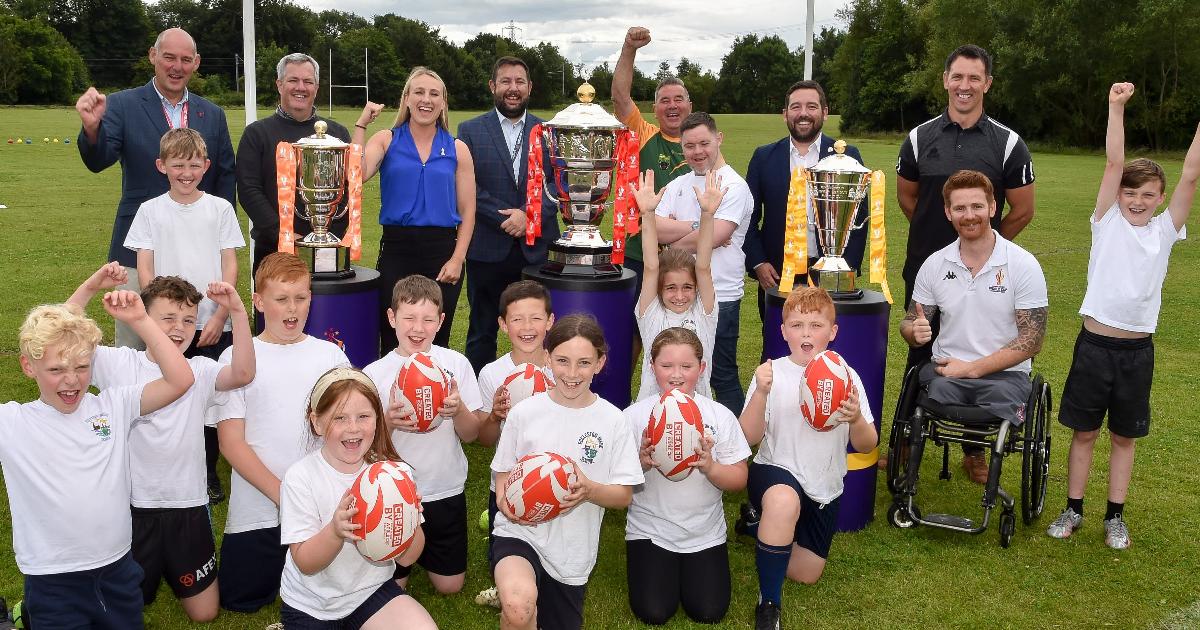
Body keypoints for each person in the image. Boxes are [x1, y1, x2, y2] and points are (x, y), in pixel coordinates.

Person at [1046, 84, 1199, 550]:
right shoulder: (1107, 221)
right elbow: (1114, 162)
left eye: (1147, 194)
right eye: (1130, 192)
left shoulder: (1166, 231)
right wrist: (1115, 106)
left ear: (1160, 198)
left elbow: (1192, 175)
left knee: (1123, 438)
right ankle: (1073, 509)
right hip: (1094, 347)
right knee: (1085, 433)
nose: (1137, 200)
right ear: (1118, 195)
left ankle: (1115, 517)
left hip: (1137, 353)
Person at [68, 266, 254, 622]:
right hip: (132, 507)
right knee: (123, 605)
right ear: (143, 318)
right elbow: (63, 336)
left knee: (205, 614)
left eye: (188, 320)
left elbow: (243, 373)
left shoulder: (200, 369)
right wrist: (91, 286)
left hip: (188, 505)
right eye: (167, 318)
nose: (178, 328)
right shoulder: (119, 363)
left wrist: (237, 311)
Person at [1, 292, 193, 628]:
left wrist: (141, 320)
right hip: (52, 580)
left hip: (117, 570)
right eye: (56, 369)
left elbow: (181, 379)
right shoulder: (12, 422)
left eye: (82, 366)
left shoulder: (113, 405)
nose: (71, 379)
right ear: (28, 366)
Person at [894, 44, 1036, 481]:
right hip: (928, 271)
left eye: (975, 78)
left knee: (979, 348)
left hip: (987, 273)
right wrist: (946, 253)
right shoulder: (919, 138)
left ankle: (975, 449)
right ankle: (906, 442)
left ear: (987, 84)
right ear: (945, 80)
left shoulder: (1008, 143)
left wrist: (982, 249)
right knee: (921, 349)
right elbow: (908, 199)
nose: (965, 85)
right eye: (957, 76)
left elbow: (1023, 209)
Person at [75, 27, 235, 349]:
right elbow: (98, 160)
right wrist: (92, 129)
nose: (177, 67)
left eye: (186, 60)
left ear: (196, 62)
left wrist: (217, 238)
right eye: (169, 58)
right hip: (139, 250)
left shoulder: (212, 114)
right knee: (137, 344)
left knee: (198, 345)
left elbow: (224, 178)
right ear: (153, 56)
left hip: (198, 251)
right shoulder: (122, 105)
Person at [212, 252, 350, 613]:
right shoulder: (237, 358)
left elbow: (348, 431)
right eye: (281, 299)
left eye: (300, 297)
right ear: (259, 302)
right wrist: (284, 495)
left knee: (334, 589)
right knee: (240, 601)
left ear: (311, 299)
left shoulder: (331, 358)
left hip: (320, 509)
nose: (292, 308)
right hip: (258, 508)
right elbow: (230, 442)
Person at [491, 314, 644, 630]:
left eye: (584, 363)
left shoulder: (613, 421)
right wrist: (507, 503)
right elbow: (503, 471)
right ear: (547, 358)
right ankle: (515, 599)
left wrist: (590, 490)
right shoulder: (524, 412)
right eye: (562, 361)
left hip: (572, 551)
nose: (572, 373)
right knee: (519, 608)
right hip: (520, 532)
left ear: (600, 363)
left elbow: (624, 495)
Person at [738, 287, 877, 630]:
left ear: (833, 331)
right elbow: (748, 437)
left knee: (806, 573)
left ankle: (758, 527)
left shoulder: (846, 376)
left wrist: (856, 419)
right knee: (783, 502)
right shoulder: (771, 373)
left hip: (822, 486)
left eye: (816, 325)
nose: (806, 333)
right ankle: (769, 603)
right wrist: (760, 393)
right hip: (776, 470)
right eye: (797, 325)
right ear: (783, 331)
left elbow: (867, 444)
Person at [123, 127, 244, 504]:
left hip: (211, 325)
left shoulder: (220, 209)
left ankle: (207, 471)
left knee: (209, 401)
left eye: (194, 165)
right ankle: (156, 468)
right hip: (168, 329)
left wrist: (219, 315)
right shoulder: (150, 211)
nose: (186, 173)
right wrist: (156, 319)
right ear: (162, 166)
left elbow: (230, 265)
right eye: (178, 165)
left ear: (206, 166)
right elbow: (145, 268)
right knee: (166, 397)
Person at [899, 169, 1047, 476]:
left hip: (1005, 377)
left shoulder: (1023, 264)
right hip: (947, 373)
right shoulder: (934, 264)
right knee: (928, 392)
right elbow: (910, 321)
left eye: (977, 206)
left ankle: (977, 458)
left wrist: (972, 369)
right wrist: (914, 331)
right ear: (948, 212)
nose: (969, 216)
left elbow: (1032, 340)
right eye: (960, 208)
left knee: (997, 399)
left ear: (993, 208)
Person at [278, 368, 437, 628]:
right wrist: (335, 532)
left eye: (363, 416)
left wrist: (409, 523)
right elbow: (305, 563)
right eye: (339, 418)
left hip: (371, 592)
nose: (353, 428)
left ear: (377, 419)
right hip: (312, 606)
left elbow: (407, 558)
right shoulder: (301, 477)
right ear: (317, 422)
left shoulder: (395, 475)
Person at [363, 275, 483, 595]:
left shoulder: (455, 364)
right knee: (392, 587)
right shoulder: (374, 374)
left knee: (450, 586)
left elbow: (471, 434)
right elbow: (366, 448)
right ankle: (401, 554)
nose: (418, 328)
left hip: (445, 488)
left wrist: (458, 410)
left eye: (428, 319)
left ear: (441, 321)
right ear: (392, 318)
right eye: (409, 318)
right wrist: (388, 422)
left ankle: (426, 553)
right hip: (396, 493)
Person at [622, 327, 749, 625]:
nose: (676, 374)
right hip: (650, 530)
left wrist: (710, 467)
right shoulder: (633, 417)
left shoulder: (718, 415)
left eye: (686, 366)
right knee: (653, 612)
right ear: (652, 367)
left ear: (702, 368)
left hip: (704, 532)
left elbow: (740, 478)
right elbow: (616, 485)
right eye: (666, 365)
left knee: (709, 611)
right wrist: (640, 464)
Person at [362, 67, 477, 352]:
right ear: (407, 99)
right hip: (397, 250)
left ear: (443, 103)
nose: (426, 99)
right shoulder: (386, 140)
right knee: (394, 336)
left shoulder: (457, 148)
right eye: (419, 92)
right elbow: (357, 174)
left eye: (434, 94)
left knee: (437, 338)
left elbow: (468, 209)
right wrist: (362, 125)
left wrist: (457, 258)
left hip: (442, 253)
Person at [459, 56, 560, 373]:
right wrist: (508, 217)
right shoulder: (470, 130)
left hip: (539, 249)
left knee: (546, 331)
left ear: (530, 87)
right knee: (481, 332)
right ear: (493, 86)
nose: (512, 88)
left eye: (519, 82)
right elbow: (468, 186)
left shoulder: (549, 131)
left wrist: (529, 216)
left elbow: (560, 183)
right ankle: (480, 396)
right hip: (487, 247)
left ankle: (547, 391)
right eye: (505, 81)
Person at [236, 53, 380, 274]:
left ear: (316, 87)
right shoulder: (256, 134)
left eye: (308, 81)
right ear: (279, 85)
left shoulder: (337, 134)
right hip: (274, 251)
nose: (300, 88)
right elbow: (249, 190)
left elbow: (349, 188)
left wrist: (328, 237)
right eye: (293, 80)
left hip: (328, 249)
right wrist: (284, 234)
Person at [650, 112, 753, 415]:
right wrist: (699, 225)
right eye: (689, 146)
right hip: (679, 296)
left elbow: (716, 237)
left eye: (704, 143)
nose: (697, 152)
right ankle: (679, 429)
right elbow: (654, 228)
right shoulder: (678, 183)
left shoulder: (734, 186)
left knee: (720, 373)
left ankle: (734, 438)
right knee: (678, 372)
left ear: (719, 139)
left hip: (721, 295)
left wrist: (674, 238)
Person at [744, 80, 869, 323]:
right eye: (796, 107)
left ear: (825, 112)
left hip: (831, 275)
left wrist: (846, 268)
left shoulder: (847, 156)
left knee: (827, 338)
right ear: (785, 114)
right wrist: (758, 262)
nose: (803, 113)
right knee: (778, 340)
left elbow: (858, 218)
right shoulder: (763, 157)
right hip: (777, 275)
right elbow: (748, 216)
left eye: (811, 106)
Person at [472, 280, 556, 608]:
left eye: (536, 318)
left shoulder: (563, 368)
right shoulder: (492, 373)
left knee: (552, 564)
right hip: (506, 485)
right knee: (503, 566)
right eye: (517, 319)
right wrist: (494, 416)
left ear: (550, 321)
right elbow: (484, 440)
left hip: (553, 480)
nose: (527, 327)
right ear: (503, 325)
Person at [612, 26, 694, 284]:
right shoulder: (643, 135)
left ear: (690, 106)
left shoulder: (703, 146)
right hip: (640, 253)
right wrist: (629, 48)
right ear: (655, 108)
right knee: (640, 311)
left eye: (678, 99)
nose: (672, 105)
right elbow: (620, 98)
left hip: (688, 255)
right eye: (665, 101)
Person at [631, 168, 719, 402]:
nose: (680, 295)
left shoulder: (704, 314)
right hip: (652, 410)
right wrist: (648, 213)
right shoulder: (652, 314)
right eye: (671, 288)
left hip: (697, 410)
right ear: (659, 289)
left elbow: (703, 267)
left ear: (696, 288)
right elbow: (651, 267)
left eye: (687, 287)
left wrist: (707, 214)